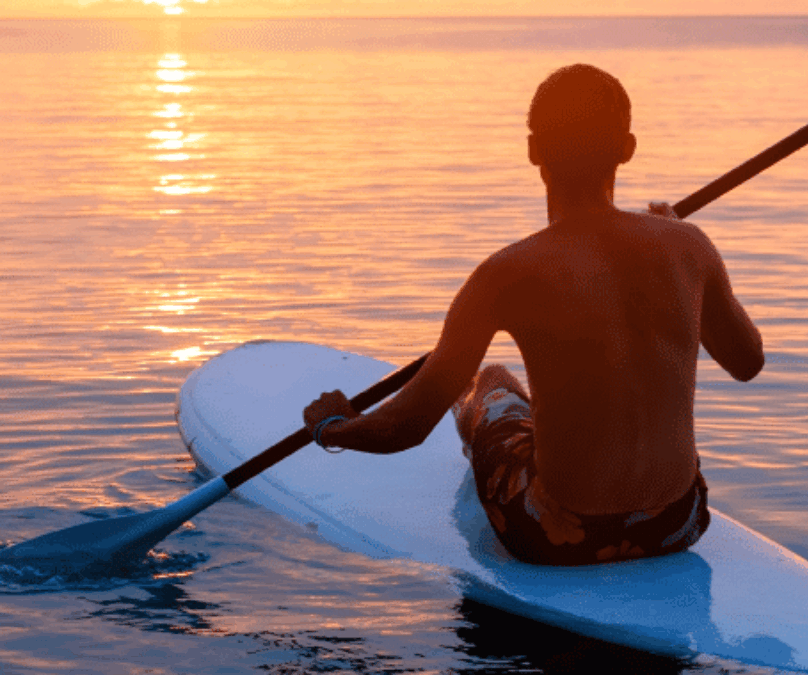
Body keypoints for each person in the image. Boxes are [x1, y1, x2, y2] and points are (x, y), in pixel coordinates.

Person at [303, 64, 763, 566]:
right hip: (678, 521)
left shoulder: (504, 274)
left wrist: (333, 428)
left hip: (553, 535)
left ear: (533, 150)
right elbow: (747, 362)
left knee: (490, 381)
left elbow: (406, 427)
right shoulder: (689, 246)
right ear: (627, 148)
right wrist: (685, 258)